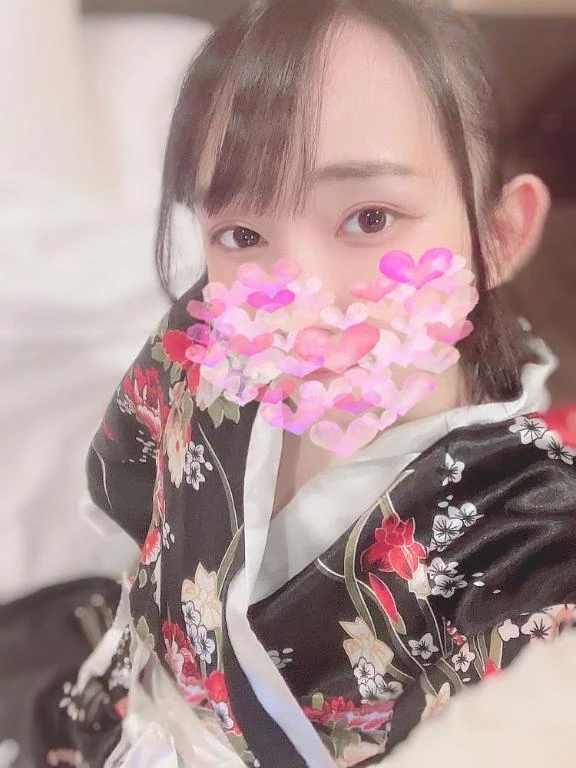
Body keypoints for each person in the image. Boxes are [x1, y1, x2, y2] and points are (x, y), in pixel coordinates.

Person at [49, 0, 576, 766]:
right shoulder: (204, 338)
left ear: (498, 233)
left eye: (370, 218)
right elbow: (137, 498)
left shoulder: (536, 534)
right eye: (243, 234)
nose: (300, 302)